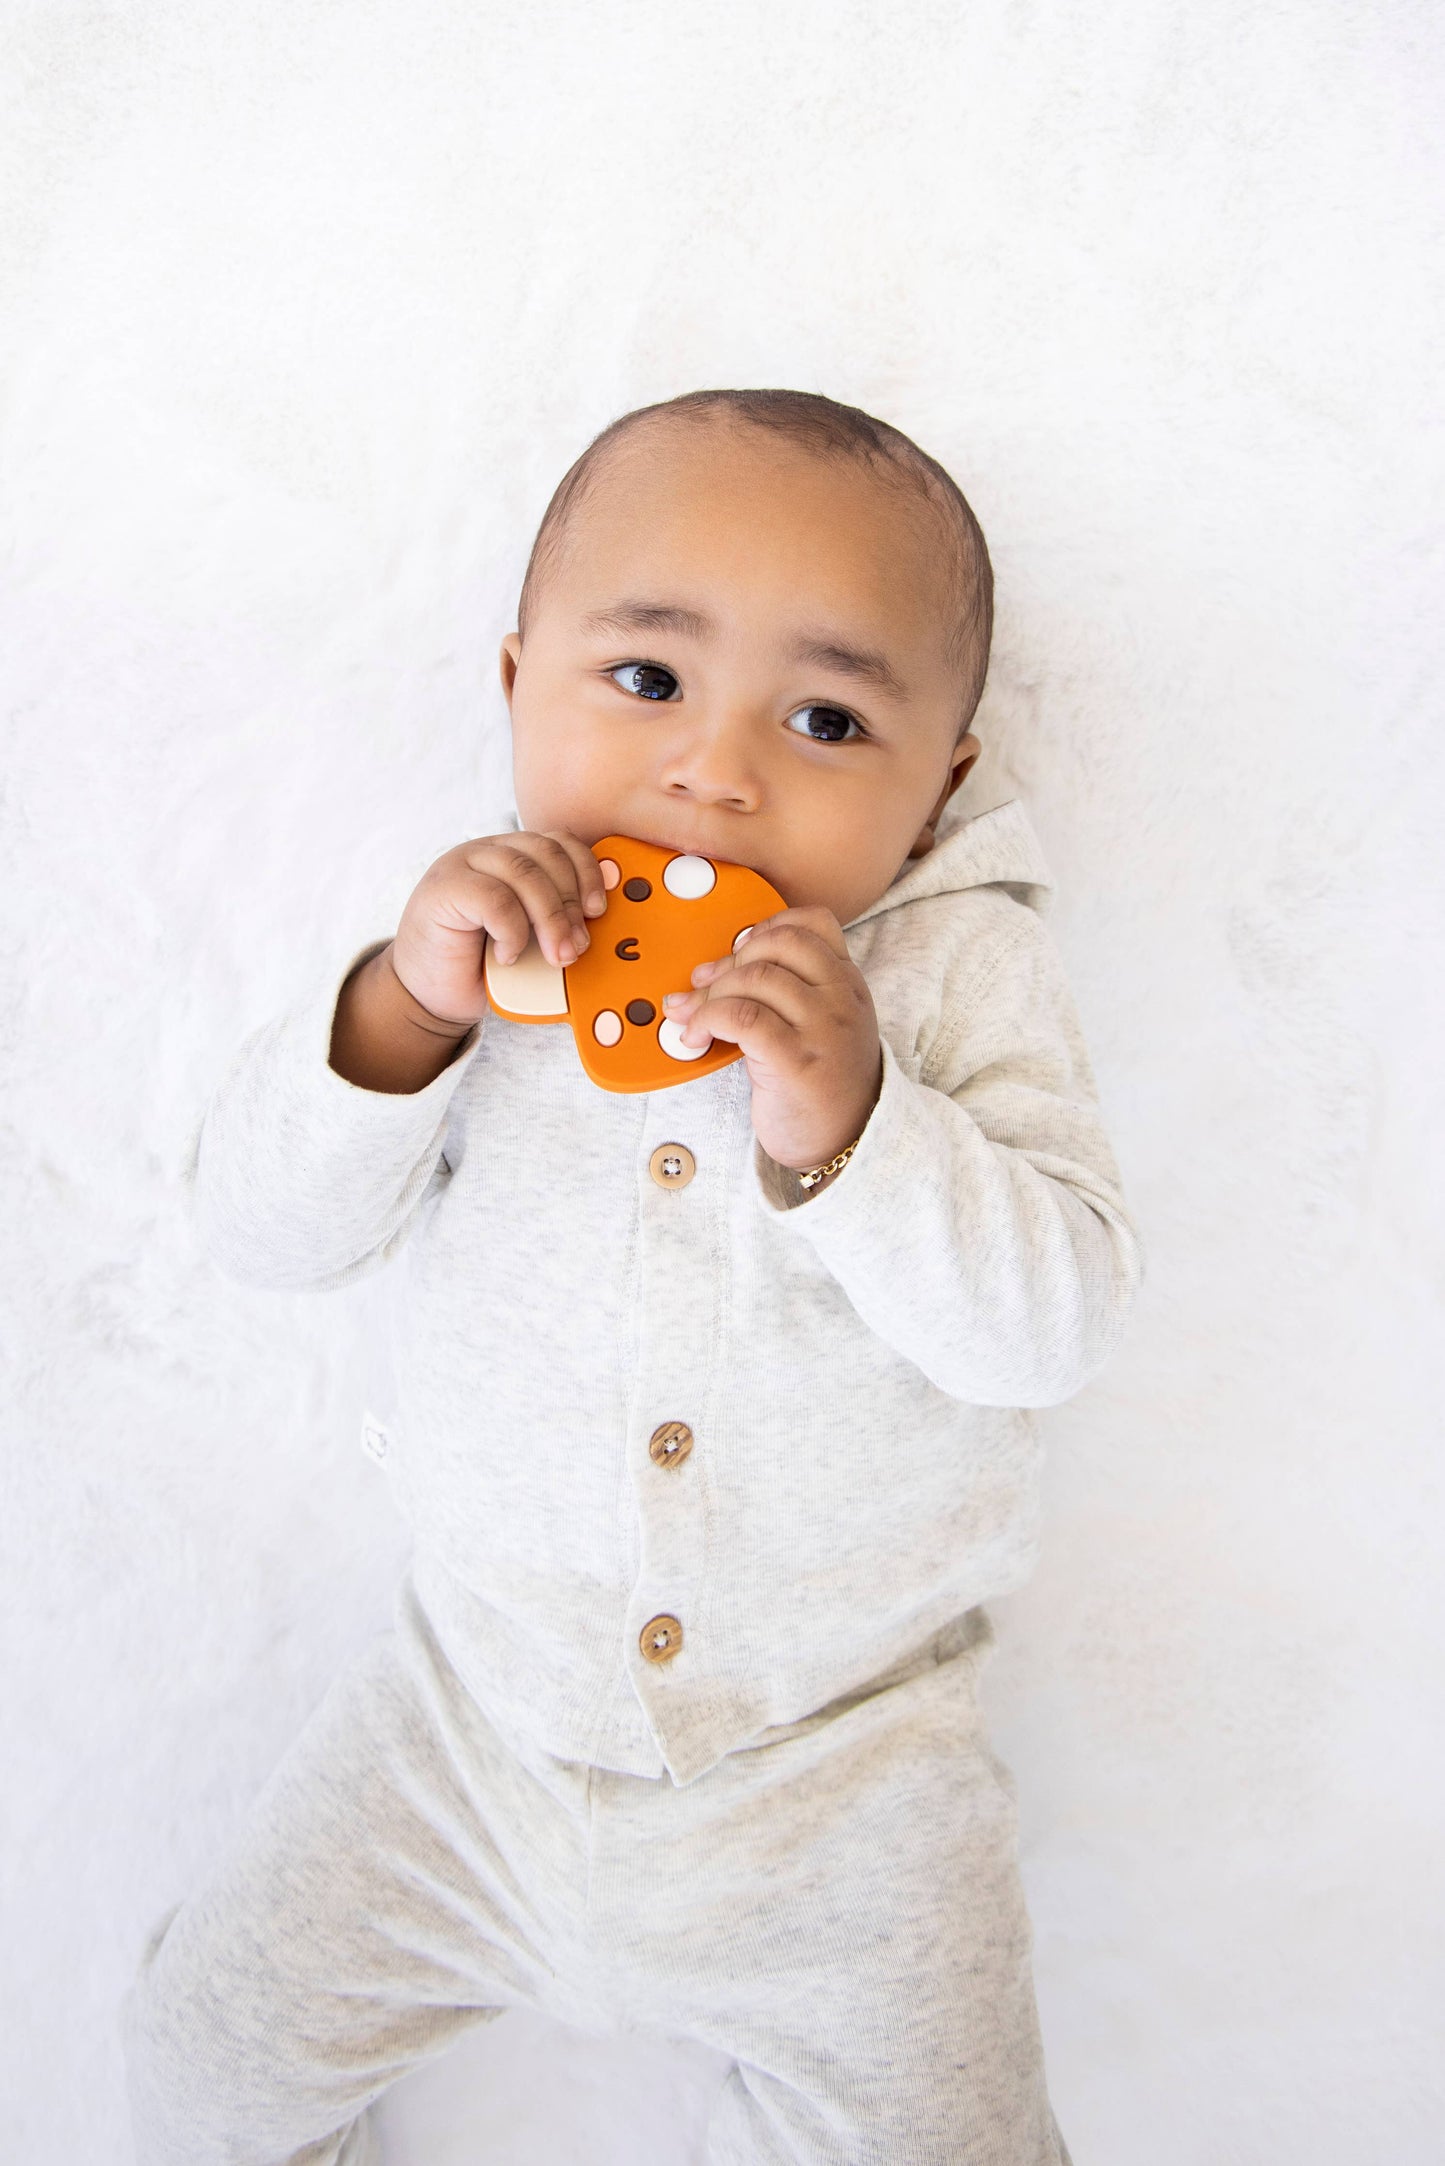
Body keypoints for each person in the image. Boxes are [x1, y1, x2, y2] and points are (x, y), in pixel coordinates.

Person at [123, 387, 1144, 2165]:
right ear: (515, 683)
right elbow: (258, 1232)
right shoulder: (486, 946)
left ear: (941, 785)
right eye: (646, 681)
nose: (718, 771)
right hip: (465, 1734)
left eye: (827, 717)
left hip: (841, 1774)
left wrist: (855, 1122)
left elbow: (1047, 1328)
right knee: (199, 2056)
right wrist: (399, 1011)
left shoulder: (953, 973)